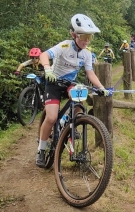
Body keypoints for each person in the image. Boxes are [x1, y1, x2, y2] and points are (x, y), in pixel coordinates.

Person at [36, 14, 110, 168]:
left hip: (70, 83)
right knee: (50, 118)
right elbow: (44, 55)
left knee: (79, 99)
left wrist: (101, 88)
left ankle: (67, 123)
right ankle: (41, 150)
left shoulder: (87, 53)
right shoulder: (64, 46)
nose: (87, 41)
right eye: (84, 36)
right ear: (74, 35)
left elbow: (91, 74)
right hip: (54, 83)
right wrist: (47, 69)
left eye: (90, 37)